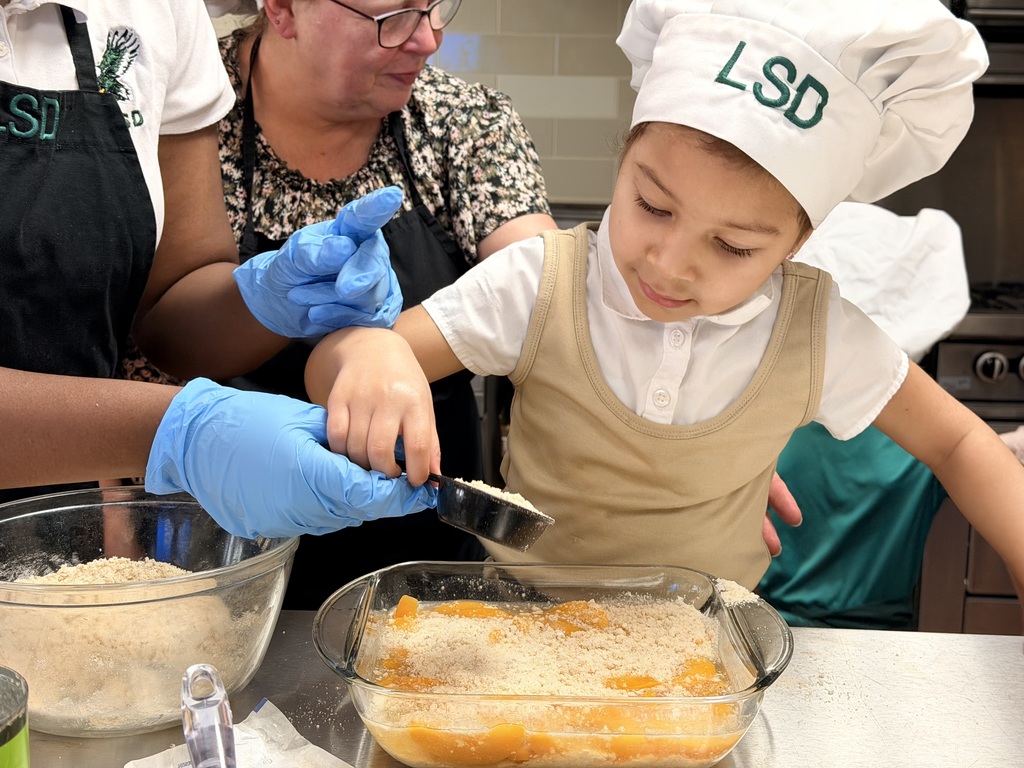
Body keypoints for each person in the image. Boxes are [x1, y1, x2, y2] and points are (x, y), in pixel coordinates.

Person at [304, 0, 1024, 600]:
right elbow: (348, 367)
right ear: (624, 162)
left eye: (734, 247)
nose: (670, 265)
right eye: (651, 204)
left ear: (795, 246)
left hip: (701, 659)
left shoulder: (815, 331)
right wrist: (370, 348)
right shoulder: (540, 285)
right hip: (518, 637)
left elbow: (962, 444)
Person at [0, 0, 434, 538]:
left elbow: (172, 301)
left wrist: (268, 300)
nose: (425, 39)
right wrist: (182, 432)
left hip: (54, 532)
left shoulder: (155, 12)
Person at [188, 0, 558, 607]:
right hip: (230, 552)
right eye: (394, 17)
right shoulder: (192, 118)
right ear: (281, 9)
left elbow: (554, 288)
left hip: (429, 564)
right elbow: (138, 338)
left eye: (437, 6)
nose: (429, 39)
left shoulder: (460, 121)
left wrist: (678, 439)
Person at [757, 203, 970, 629]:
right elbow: (986, 456)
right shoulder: (927, 443)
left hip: (761, 625)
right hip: (886, 636)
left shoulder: (769, 419)